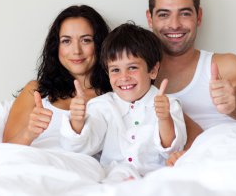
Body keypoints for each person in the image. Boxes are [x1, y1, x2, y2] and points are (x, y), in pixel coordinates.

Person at [146, 0, 236, 165]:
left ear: (198, 17)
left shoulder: (225, 64)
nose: (174, 25)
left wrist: (234, 99)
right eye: (164, 14)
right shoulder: (131, 76)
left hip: (229, 161)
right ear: (150, 19)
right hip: (170, 171)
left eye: (185, 13)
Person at [0, 4, 112, 148]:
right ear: (56, 47)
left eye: (86, 40)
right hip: (30, 166)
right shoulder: (35, 91)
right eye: (66, 41)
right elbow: (7, 149)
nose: (76, 50)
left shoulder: (114, 97)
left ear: (100, 44)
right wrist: (29, 132)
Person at [60, 23, 187, 181]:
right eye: (115, 70)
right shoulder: (101, 106)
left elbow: (172, 150)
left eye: (132, 67)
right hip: (113, 180)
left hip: (154, 180)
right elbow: (80, 149)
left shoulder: (170, 104)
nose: (124, 77)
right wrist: (77, 121)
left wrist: (164, 118)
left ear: (153, 70)